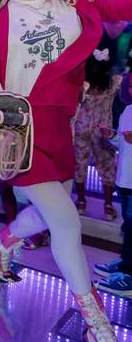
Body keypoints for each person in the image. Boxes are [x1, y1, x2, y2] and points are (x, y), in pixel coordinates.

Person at [0, 0, 132, 340]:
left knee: (49, 211)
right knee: (66, 222)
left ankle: (1, 243)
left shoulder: (77, 0)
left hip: (60, 125)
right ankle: (96, 322)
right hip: (14, 131)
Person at [73, 50, 122, 221]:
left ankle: (81, 202)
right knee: (107, 166)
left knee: (80, 165)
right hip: (103, 131)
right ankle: (108, 206)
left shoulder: (83, 85)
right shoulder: (114, 83)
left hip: (81, 128)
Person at [96, 72, 132, 296]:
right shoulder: (128, 110)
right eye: (131, 86)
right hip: (125, 179)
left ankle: (129, 276)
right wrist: (112, 136)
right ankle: (126, 263)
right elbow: (123, 142)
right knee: (128, 227)